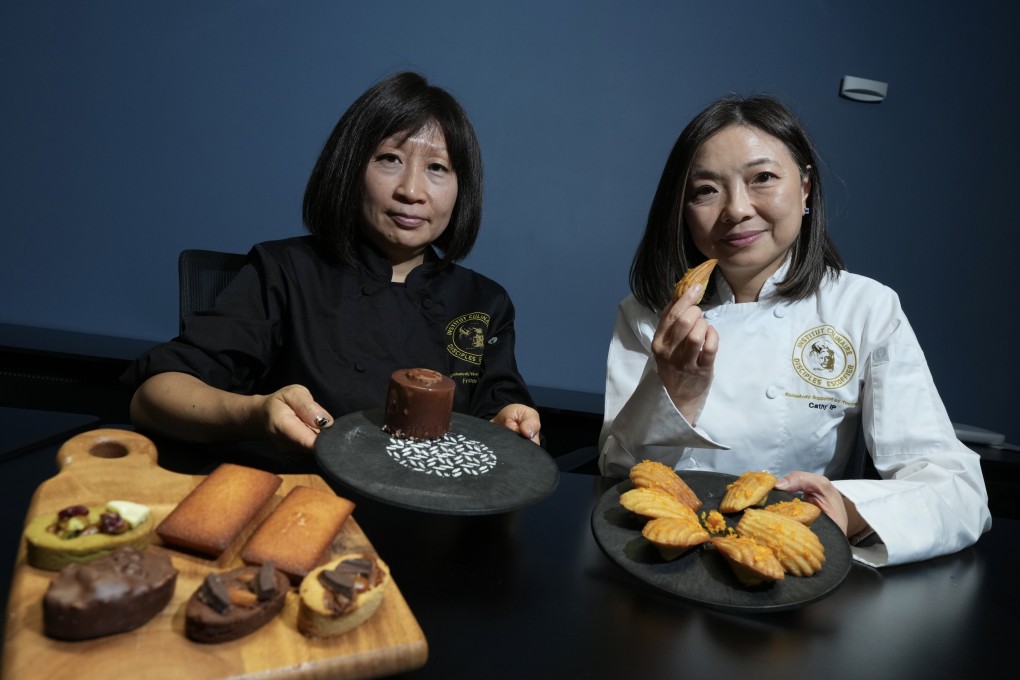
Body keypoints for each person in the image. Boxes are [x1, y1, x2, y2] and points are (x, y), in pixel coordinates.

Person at [598, 94, 990, 567]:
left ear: (805, 188)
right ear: (682, 209)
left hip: (795, 568)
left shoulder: (865, 308)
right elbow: (617, 476)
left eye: (762, 178)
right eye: (705, 190)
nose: (737, 210)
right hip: (663, 559)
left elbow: (957, 488)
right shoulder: (646, 313)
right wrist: (674, 392)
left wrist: (848, 510)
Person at [124, 72, 541, 454]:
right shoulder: (285, 269)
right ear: (349, 169)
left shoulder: (485, 301)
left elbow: (502, 414)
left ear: (461, 189)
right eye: (389, 159)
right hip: (297, 498)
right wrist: (256, 411)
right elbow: (153, 395)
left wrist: (510, 426)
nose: (411, 190)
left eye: (437, 167)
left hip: (433, 520)